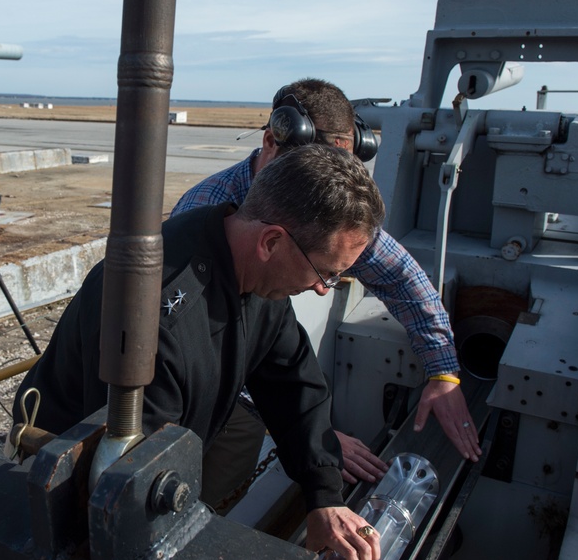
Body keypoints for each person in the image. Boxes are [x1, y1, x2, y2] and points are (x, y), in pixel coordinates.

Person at [18, 144, 385, 560]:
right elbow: (124, 488)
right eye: (325, 273)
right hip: (64, 501)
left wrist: (325, 496)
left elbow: (293, 382)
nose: (324, 289)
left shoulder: (253, 274)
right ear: (271, 242)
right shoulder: (155, 323)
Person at [172, 78, 480, 496]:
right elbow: (196, 353)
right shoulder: (202, 209)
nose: (322, 289)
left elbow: (401, 277)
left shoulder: (325, 204)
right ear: (272, 142)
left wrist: (443, 372)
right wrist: (310, 436)